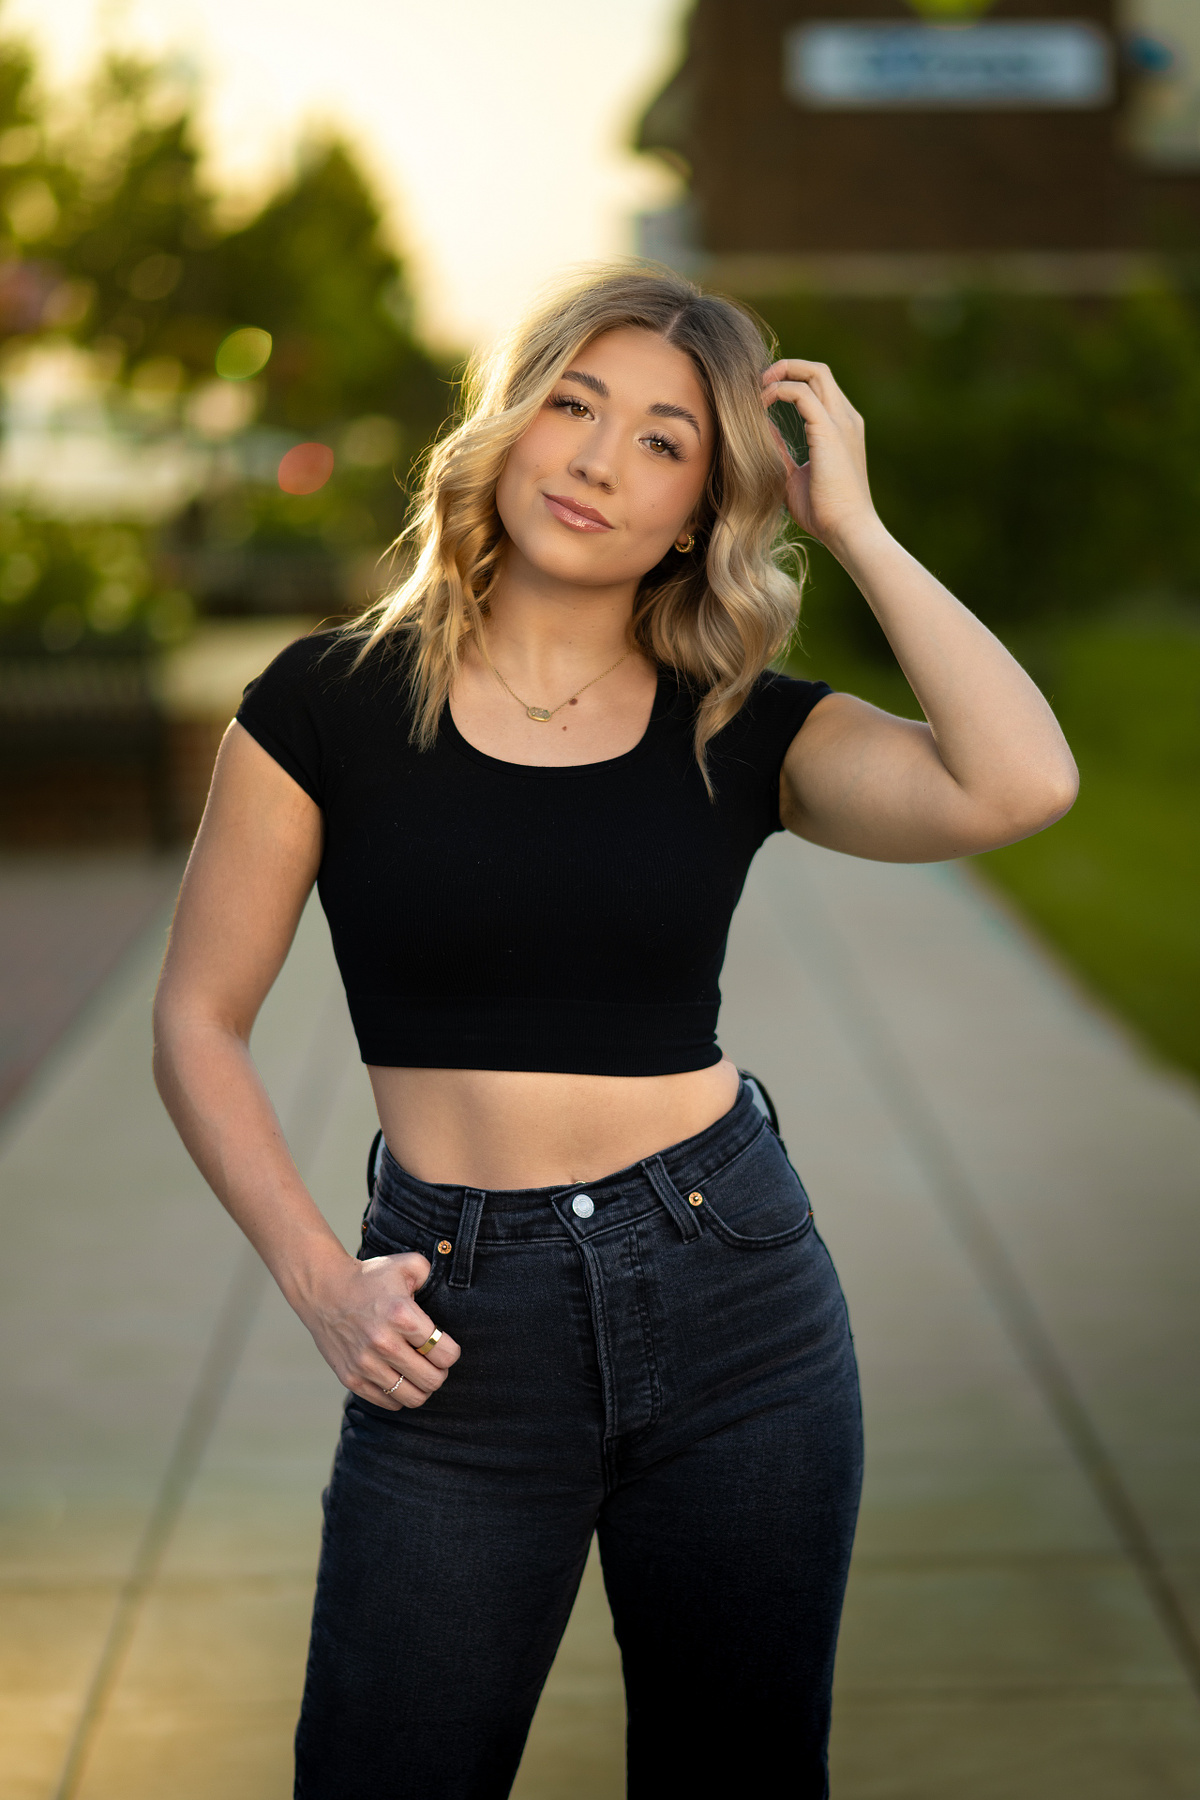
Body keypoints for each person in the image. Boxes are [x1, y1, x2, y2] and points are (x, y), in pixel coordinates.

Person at [152, 264, 1077, 1798]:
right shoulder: (325, 704)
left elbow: (1020, 783)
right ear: (505, 428)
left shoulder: (741, 720)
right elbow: (197, 1019)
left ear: (703, 509)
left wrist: (852, 525)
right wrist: (321, 1282)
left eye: (663, 441)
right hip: (456, 1325)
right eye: (571, 405)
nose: (595, 460)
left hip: (737, 1300)